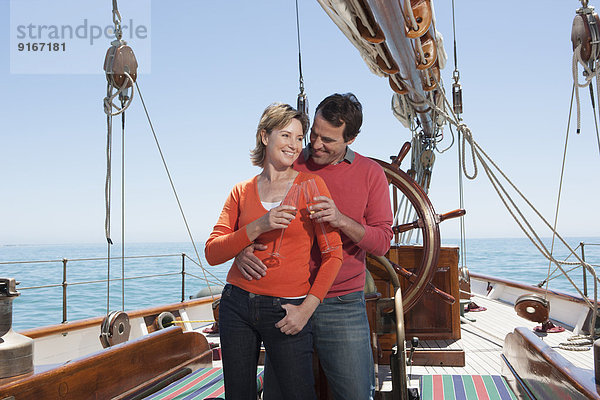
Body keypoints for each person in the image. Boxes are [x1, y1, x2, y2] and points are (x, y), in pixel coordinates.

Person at [235, 93, 393, 400]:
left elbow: (383, 243)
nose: (315, 145)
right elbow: (252, 214)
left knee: (356, 395)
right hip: (285, 299)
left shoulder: (370, 174)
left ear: (352, 138)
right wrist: (241, 248)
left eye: (328, 141)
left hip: (341, 302)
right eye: (314, 135)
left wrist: (340, 219)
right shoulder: (291, 159)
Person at [205, 103, 343, 400]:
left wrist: (306, 311)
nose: (294, 146)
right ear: (265, 137)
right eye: (286, 135)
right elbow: (213, 253)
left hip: (287, 311)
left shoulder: (312, 186)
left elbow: (334, 255)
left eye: (299, 138)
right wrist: (257, 226)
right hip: (236, 306)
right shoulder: (240, 191)